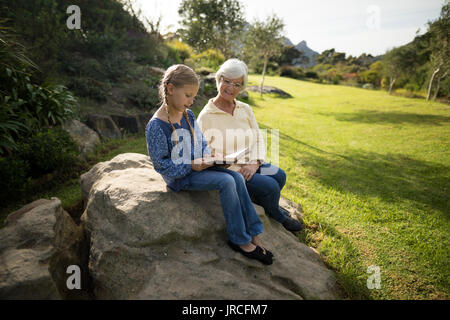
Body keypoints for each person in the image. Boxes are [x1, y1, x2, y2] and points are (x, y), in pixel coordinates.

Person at [145, 64, 273, 265]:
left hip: (199, 167)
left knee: (237, 176)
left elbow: (202, 143)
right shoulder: (156, 126)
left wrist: (209, 158)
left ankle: (254, 233)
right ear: (170, 89)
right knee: (226, 181)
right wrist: (191, 165)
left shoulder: (188, 115)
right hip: (181, 177)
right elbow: (161, 165)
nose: (192, 101)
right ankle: (239, 239)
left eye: (193, 96)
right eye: (188, 95)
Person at [197, 59, 302, 232]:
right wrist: (233, 167)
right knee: (270, 186)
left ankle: (265, 202)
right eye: (227, 81)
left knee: (279, 175)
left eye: (237, 84)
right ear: (219, 79)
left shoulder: (245, 109)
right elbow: (205, 154)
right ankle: (278, 215)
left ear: (242, 87)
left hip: (250, 163)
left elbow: (258, 138)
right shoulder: (206, 116)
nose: (231, 88)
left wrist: (254, 163)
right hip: (230, 170)